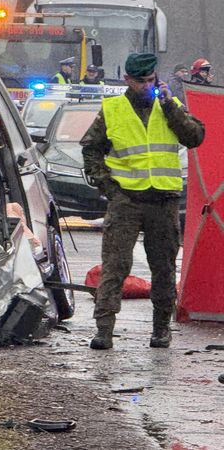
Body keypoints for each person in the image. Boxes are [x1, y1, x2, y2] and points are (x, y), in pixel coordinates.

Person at [80, 52, 205, 350]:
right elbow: (91, 149)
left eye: (151, 80)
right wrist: (107, 186)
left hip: (163, 199)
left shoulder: (169, 105)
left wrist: (169, 107)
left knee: (162, 267)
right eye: (141, 81)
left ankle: (161, 329)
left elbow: (196, 136)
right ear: (128, 80)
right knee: (115, 265)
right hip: (127, 200)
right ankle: (104, 330)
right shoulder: (113, 109)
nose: (147, 86)